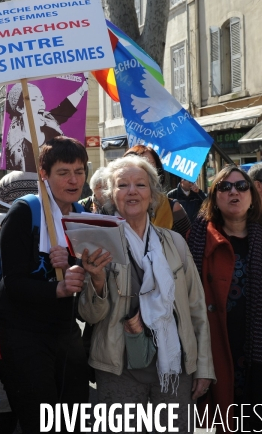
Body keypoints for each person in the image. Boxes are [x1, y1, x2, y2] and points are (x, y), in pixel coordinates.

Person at [78, 155, 215, 432]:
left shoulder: (174, 242)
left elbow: (196, 309)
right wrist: (96, 279)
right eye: (122, 185)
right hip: (118, 369)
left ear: (152, 194)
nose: (131, 191)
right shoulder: (97, 243)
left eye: (140, 185)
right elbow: (90, 314)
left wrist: (203, 368)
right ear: (110, 194)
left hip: (174, 371)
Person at [187, 165, 262, 432]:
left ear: (252, 195)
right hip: (216, 346)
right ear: (214, 197)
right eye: (224, 187)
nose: (233, 192)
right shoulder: (197, 238)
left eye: (241, 186)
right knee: (220, 420)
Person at [0, 136, 90, 433]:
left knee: (75, 422)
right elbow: (13, 283)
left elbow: (89, 281)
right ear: (45, 175)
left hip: (66, 335)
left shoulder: (85, 217)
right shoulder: (25, 211)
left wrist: (80, 267)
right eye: (64, 172)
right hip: (23, 337)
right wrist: (57, 288)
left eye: (79, 171)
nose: (74, 180)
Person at [5, 80, 87, 171]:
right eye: (34, 99)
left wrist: (83, 88)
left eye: (42, 99)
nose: (42, 104)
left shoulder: (50, 122)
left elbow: (66, 107)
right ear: (20, 108)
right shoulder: (15, 147)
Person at [124, 145, 191, 236]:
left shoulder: (173, 208)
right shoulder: (112, 211)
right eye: (140, 165)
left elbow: (190, 243)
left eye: (150, 165)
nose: (146, 170)